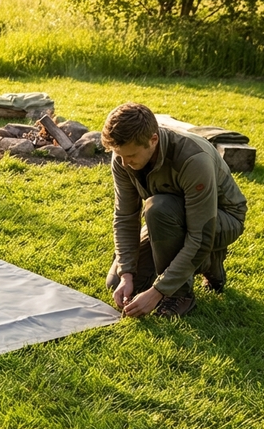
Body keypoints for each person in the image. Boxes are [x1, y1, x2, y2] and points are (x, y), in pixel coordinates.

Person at [102, 103, 247, 317]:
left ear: (153, 140)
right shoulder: (124, 158)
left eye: (130, 156)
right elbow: (125, 217)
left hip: (220, 220)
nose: (124, 162)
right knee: (114, 282)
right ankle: (200, 263)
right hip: (169, 220)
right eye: (119, 155)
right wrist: (127, 274)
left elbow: (201, 235)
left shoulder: (193, 158)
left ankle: (184, 292)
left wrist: (159, 291)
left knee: (158, 208)